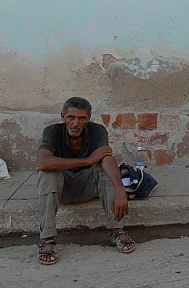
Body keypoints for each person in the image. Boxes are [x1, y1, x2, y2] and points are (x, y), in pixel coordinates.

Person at [36, 97, 134, 265]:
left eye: (82, 118)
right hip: (62, 189)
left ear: (88, 118)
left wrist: (119, 189)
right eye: (71, 117)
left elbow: (106, 158)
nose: (76, 123)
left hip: (88, 186)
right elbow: (43, 162)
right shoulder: (52, 131)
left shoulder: (97, 131)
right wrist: (88, 160)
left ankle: (117, 231)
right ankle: (47, 240)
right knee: (48, 174)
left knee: (106, 170)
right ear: (62, 117)